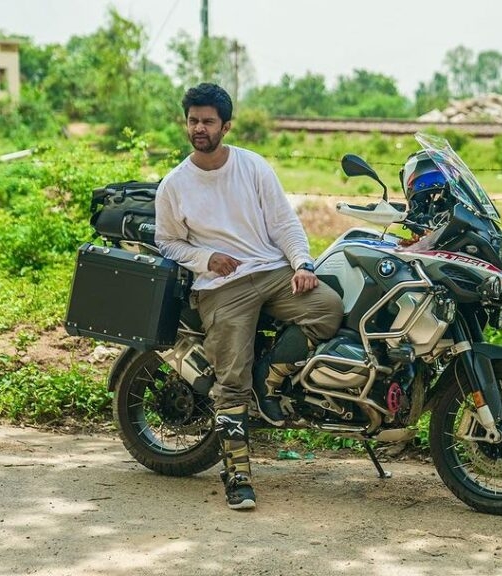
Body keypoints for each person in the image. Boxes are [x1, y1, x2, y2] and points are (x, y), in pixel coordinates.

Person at [154, 83, 343, 511]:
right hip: (222, 289)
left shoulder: (252, 166)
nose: (198, 128)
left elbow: (284, 223)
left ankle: (269, 380)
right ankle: (238, 475)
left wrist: (302, 265)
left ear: (226, 125)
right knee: (231, 382)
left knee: (329, 309)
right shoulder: (174, 185)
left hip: (272, 271)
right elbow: (168, 243)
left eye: (207, 121)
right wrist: (205, 257)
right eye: (192, 120)